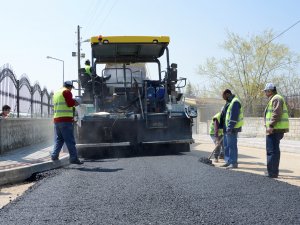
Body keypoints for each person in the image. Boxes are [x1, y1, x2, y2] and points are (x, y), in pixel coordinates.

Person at [51, 81, 83, 164]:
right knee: (70, 140)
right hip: (65, 120)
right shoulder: (66, 92)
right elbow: (69, 104)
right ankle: (73, 158)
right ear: (69, 87)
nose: (71, 90)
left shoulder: (56, 93)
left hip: (56, 120)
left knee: (59, 139)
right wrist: (75, 102)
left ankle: (54, 156)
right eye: (71, 88)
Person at [263, 83, 289, 178]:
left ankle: (272, 173)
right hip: (275, 128)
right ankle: (273, 172)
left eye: (266, 91)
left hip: (274, 129)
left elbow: (276, 113)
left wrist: (271, 125)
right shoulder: (275, 98)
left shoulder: (276, 98)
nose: (265, 93)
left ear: (270, 91)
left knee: (272, 151)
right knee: (274, 151)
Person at [221, 89, 244, 169]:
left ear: (228, 94)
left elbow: (234, 116)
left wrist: (230, 127)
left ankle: (233, 163)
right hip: (228, 128)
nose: (224, 99)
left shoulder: (235, 102)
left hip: (233, 128)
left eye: (224, 97)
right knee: (227, 145)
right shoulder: (230, 102)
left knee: (232, 146)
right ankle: (228, 161)